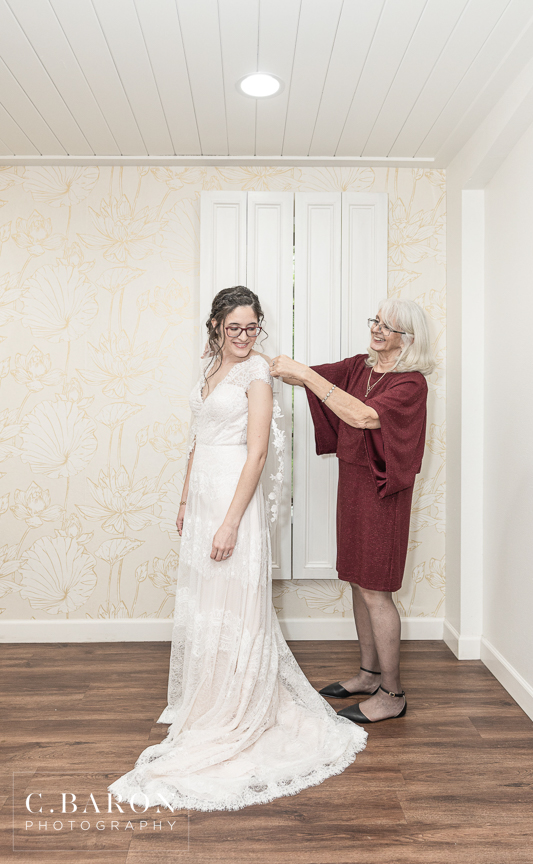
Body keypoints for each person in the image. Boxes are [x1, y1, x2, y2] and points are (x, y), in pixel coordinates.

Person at [108, 286, 367, 812]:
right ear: (215, 326)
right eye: (235, 328)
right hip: (203, 494)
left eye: (252, 327)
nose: (245, 337)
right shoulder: (209, 368)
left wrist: (230, 523)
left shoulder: (258, 374)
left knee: (234, 603)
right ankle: (209, 693)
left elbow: (257, 454)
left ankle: (238, 701)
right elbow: (196, 438)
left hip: (233, 497)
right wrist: (185, 500)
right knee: (207, 601)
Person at [270, 298, 434, 724]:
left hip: (384, 492)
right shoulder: (361, 367)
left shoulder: (411, 384)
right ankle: (368, 674)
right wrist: (248, 354)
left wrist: (306, 375)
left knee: (377, 589)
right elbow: (303, 377)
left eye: (388, 326)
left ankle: (392, 695)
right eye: (376, 320)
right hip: (354, 484)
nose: (376, 328)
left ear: (408, 339)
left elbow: (363, 417)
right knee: (359, 583)